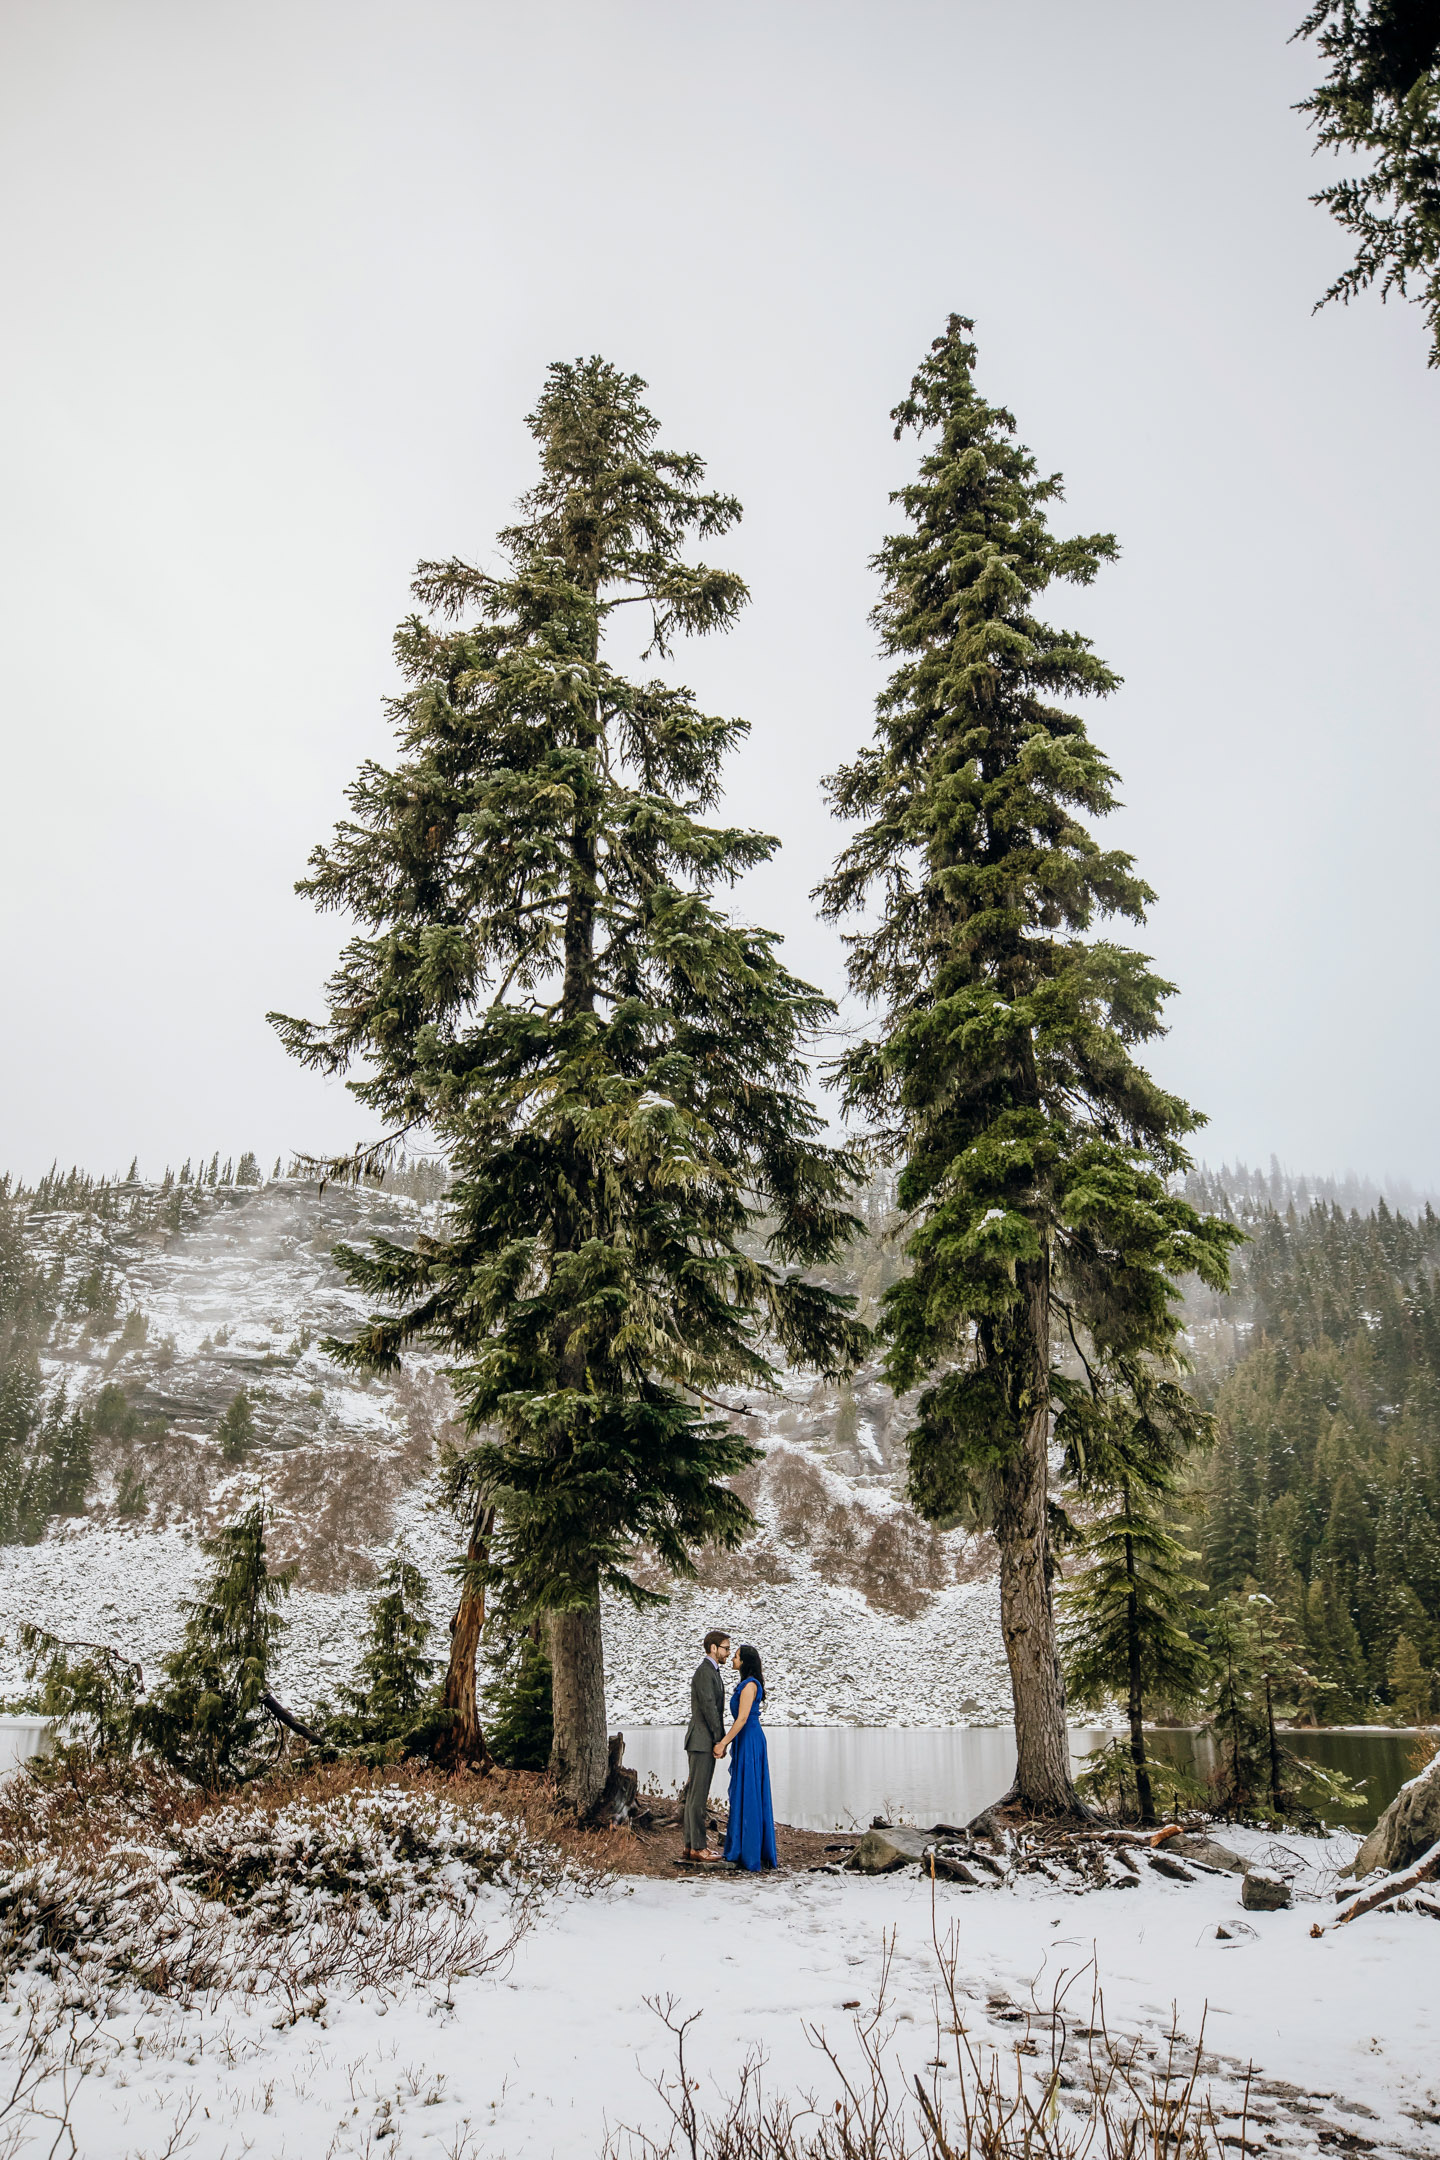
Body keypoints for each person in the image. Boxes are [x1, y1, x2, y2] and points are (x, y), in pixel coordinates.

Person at [715, 1642, 777, 1871]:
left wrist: (723, 1742)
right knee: (744, 1790)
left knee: (749, 1791)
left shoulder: (750, 1685)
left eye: (737, 1656)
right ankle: (743, 1846)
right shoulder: (746, 1684)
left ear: (745, 1662)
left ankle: (749, 1851)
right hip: (746, 1739)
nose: (732, 1659)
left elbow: (741, 1719)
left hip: (750, 1739)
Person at [681, 1628, 730, 1862]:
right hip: (702, 1741)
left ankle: (691, 1846)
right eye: (726, 1648)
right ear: (713, 1648)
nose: (728, 1653)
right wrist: (720, 1739)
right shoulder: (705, 1672)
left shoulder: (711, 1671)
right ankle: (699, 1847)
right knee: (697, 1798)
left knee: (694, 1797)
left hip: (700, 1739)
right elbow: (710, 1708)